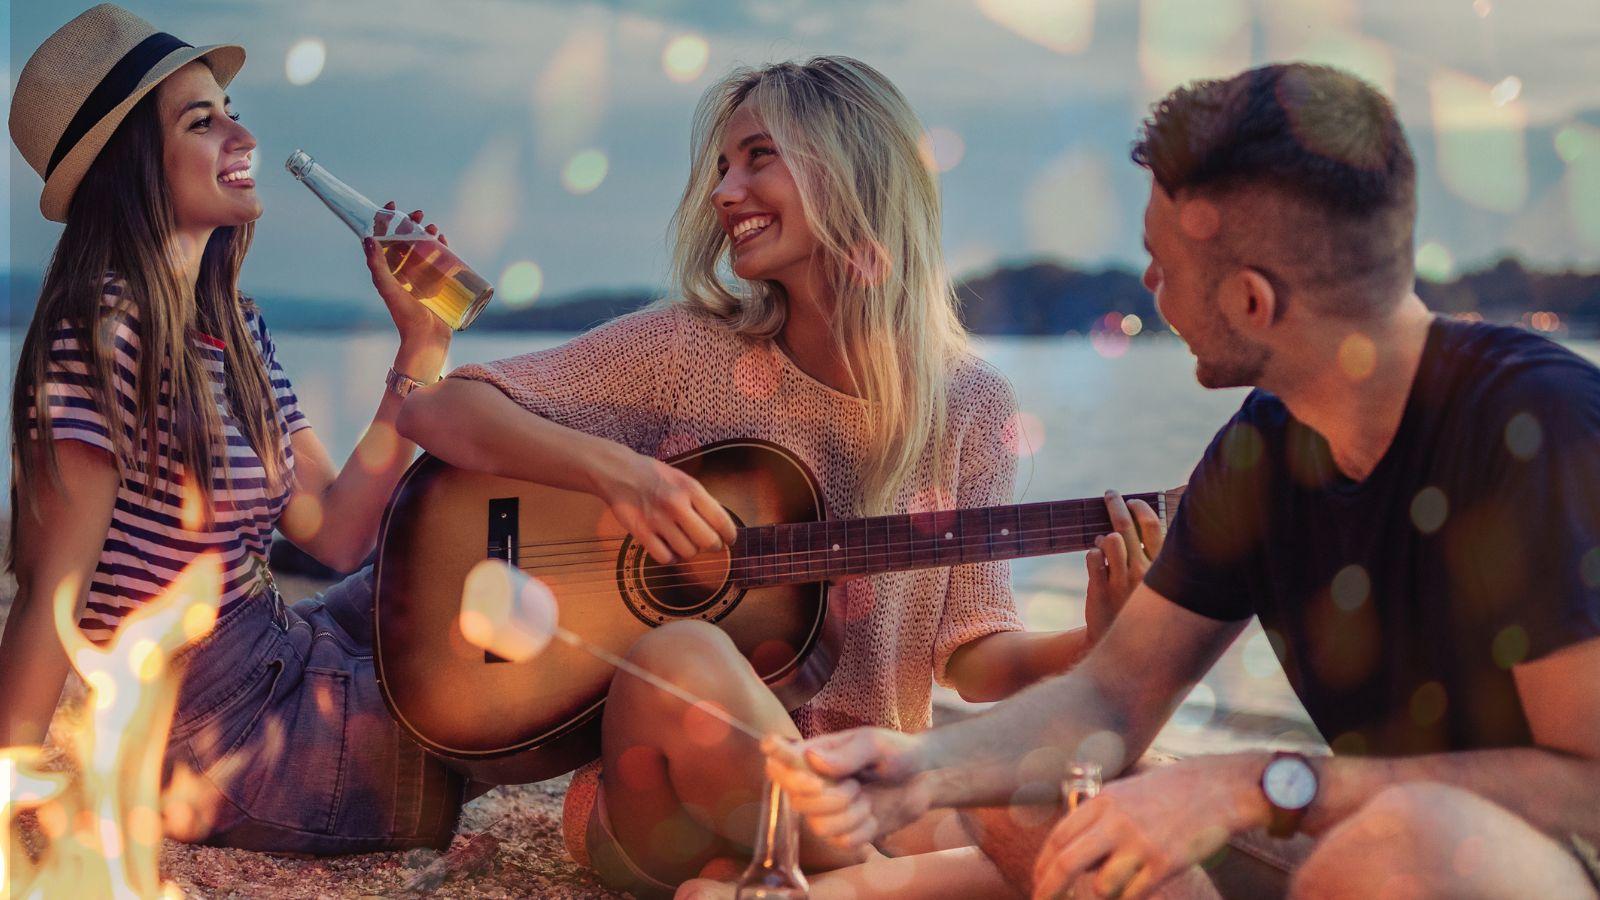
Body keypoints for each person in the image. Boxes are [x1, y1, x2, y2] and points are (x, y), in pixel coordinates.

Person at [766, 62, 1600, 899]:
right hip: (1379, 837)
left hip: (1527, 863)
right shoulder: (1265, 449)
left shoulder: (1541, 428)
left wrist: (1251, 783)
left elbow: (1590, 791)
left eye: (1161, 264)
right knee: (1041, 798)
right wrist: (921, 769)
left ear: (1251, 302)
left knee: (1406, 842)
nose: (1150, 287)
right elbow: (1109, 699)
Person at [397, 55, 1156, 897]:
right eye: (723, 166)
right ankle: (898, 883)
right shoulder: (688, 349)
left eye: (759, 157)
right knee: (683, 653)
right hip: (667, 795)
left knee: (1129, 782)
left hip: (872, 787)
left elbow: (972, 658)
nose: (725, 192)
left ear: (854, 171)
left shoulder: (971, 404)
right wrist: (621, 476)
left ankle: (780, 881)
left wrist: (1100, 640)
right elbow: (438, 412)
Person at [2, 4, 467, 853]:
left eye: (230, 110)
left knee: (472, 575)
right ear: (132, 165)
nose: (243, 136)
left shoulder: (231, 327)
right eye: (201, 121)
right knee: (481, 694)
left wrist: (422, 345)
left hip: (282, 647)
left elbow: (337, 531)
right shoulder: (100, 334)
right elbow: (47, 595)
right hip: (219, 735)